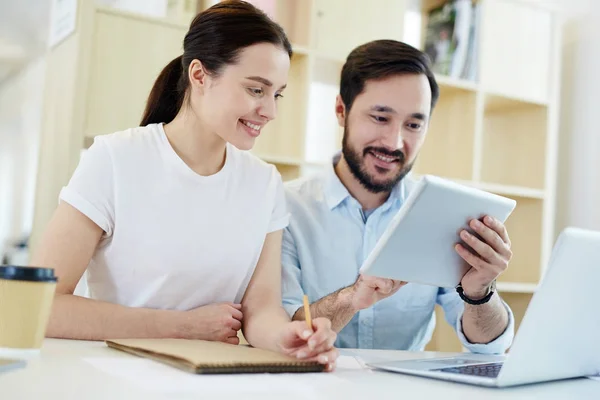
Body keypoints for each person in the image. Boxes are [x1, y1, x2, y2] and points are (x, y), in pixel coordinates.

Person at [30, 0, 337, 369]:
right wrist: (181, 327)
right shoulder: (115, 159)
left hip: (210, 380)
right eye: (257, 90)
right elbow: (42, 303)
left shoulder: (264, 183)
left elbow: (261, 310)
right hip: (114, 378)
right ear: (200, 75)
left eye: (277, 94)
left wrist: (288, 338)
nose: (270, 111)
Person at [281, 39, 515, 353]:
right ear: (341, 110)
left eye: (414, 124)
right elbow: (285, 332)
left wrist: (480, 291)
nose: (394, 142)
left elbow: (489, 347)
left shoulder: (441, 215)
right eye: (380, 118)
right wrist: (351, 298)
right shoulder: (286, 208)